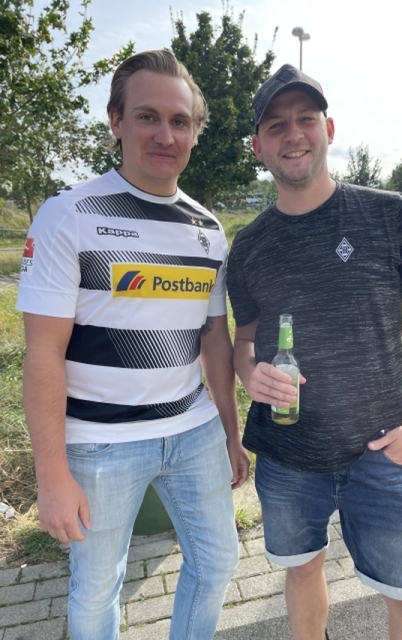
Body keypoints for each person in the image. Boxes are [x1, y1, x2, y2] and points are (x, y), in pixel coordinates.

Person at [17, 49, 250, 640]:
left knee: (218, 561)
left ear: (194, 132)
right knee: (99, 586)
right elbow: (42, 355)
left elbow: (214, 340)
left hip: (193, 431)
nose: (165, 135)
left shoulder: (207, 229)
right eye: (148, 116)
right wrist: (51, 476)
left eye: (180, 121)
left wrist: (230, 432)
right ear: (117, 121)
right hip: (100, 443)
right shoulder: (68, 214)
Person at [227, 64, 402, 640]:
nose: (293, 134)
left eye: (305, 119)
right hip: (287, 458)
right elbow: (243, 340)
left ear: (328, 129)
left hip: (380, 454)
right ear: (259, 146)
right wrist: (249, 373)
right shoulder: (250, 245)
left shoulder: (389, 215)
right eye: (276, 125)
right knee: (303, 571)